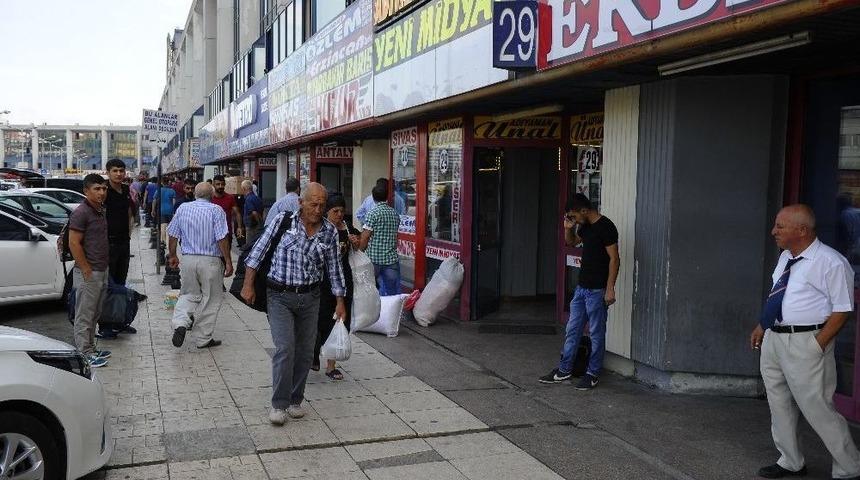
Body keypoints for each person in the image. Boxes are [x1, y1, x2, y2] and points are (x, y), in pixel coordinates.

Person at [750, 205, 860, 480]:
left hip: (806, 342)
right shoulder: (786, 257)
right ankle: (790, 461)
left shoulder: (831, 262)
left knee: (818, 408)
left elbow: (843, 309)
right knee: (779, 404)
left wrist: (818, 344)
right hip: (775, 339)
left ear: (802, 230)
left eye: (780, 226)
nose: (774, 231)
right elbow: (780, 296)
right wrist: (763, 326)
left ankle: (850, 467)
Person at [240, 182, 346, 425]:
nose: (318, 209)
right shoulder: (283, 222)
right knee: (285, 348)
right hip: (279, 296)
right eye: (313, 204)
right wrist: (248, 284)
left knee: (306, 353)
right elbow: (258, 251)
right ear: (301, 202)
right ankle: (278, 404)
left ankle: (295, 399)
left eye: (322, 205)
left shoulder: (329, 231)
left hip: (311, 298)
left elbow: (335, 269)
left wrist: (341, 302)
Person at [539, 193, 619, 390]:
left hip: (598, 289)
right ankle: (564, 370)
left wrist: (610, 289)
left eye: (574, 216)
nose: (573, 219)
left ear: (584, 210)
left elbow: (615, 259)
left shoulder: (606, 227)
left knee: (596, 332)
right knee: (572, 329)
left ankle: (592, 373)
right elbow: (572, 243)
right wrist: (568, 228)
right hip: (581, 288)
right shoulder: (585, 226)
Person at [168, 182, 234, 349]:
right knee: (211, 298)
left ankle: (180, 323)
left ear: (195, 194)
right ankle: (202, 338)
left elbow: (173, 233)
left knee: (188, 294)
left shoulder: (183, 208)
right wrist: (228, 260)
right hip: (210, 261)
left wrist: (173, 255)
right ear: (211, 195)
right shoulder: (216, 210)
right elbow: (221, 238)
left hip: (189, 259)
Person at [314, 193, 360, 379]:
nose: (340, 214)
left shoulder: (347, 228)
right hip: (323, 281)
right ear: (327, 212)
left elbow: (360, 246)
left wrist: (356, 242)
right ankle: (314, 354)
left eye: (342, 211)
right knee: (320, 319)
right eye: (335, 211)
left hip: (344, 281)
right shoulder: (320, 229)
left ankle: (331, 365)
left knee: (340, 321)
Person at [68, 174, 112, 368]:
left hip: (101, 269)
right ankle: (84, 354)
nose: (101, 192)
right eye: (97, 189)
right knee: (84, 314)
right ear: (86, 191)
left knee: (95, 312)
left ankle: (91, 348)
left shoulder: (100, 210)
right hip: (88, 271)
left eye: (103, 188)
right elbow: (74, 243)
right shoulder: (81, 213)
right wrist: (86, 268)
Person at [360, 184, 401, 295]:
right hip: (391, 260)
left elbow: (365, 236)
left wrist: (359, 252)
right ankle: (390, 311)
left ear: (373, 198)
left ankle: (374, 311)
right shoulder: (395, 214)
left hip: (374, 260)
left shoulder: (372, 214)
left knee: (370, 291)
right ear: (387, 197)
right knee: (392, 293)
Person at [211, 175, 244, 247]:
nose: (220, 186)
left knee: (226, 256)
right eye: (218, 184)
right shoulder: (209, 198)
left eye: (222, 184)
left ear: (225, 184)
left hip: (227, 232)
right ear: (213, 184)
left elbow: (237, 213)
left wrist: (239, 227)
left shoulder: (230, 198)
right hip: (212, 233)